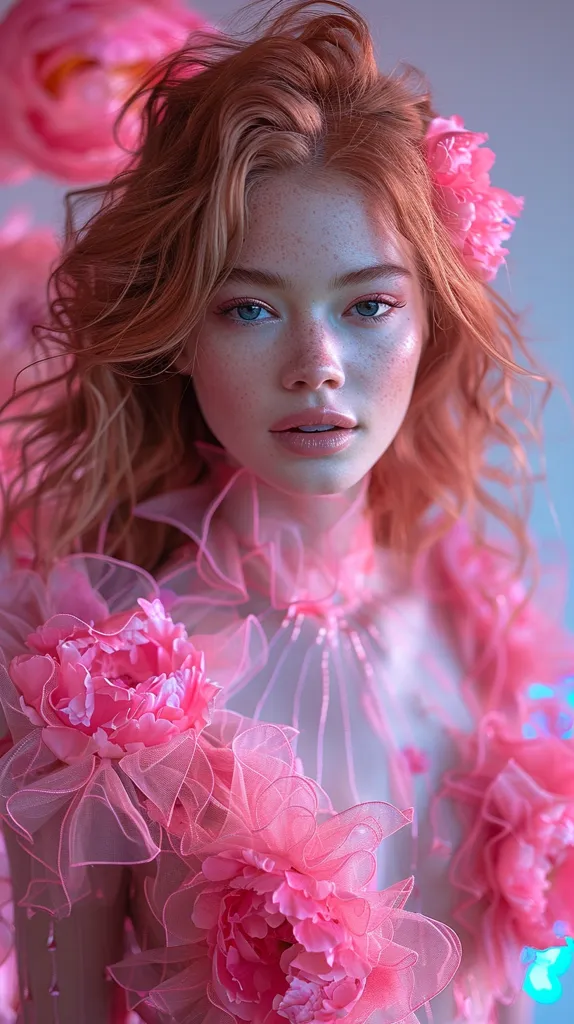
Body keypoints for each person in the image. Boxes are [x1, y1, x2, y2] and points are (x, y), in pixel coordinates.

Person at [0, 1, 571, 1022]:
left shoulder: (476, 624)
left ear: (429, 316)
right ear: (177, 330)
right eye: (250, 307)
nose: (316, 368)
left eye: (367, 306)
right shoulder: (94, 698)